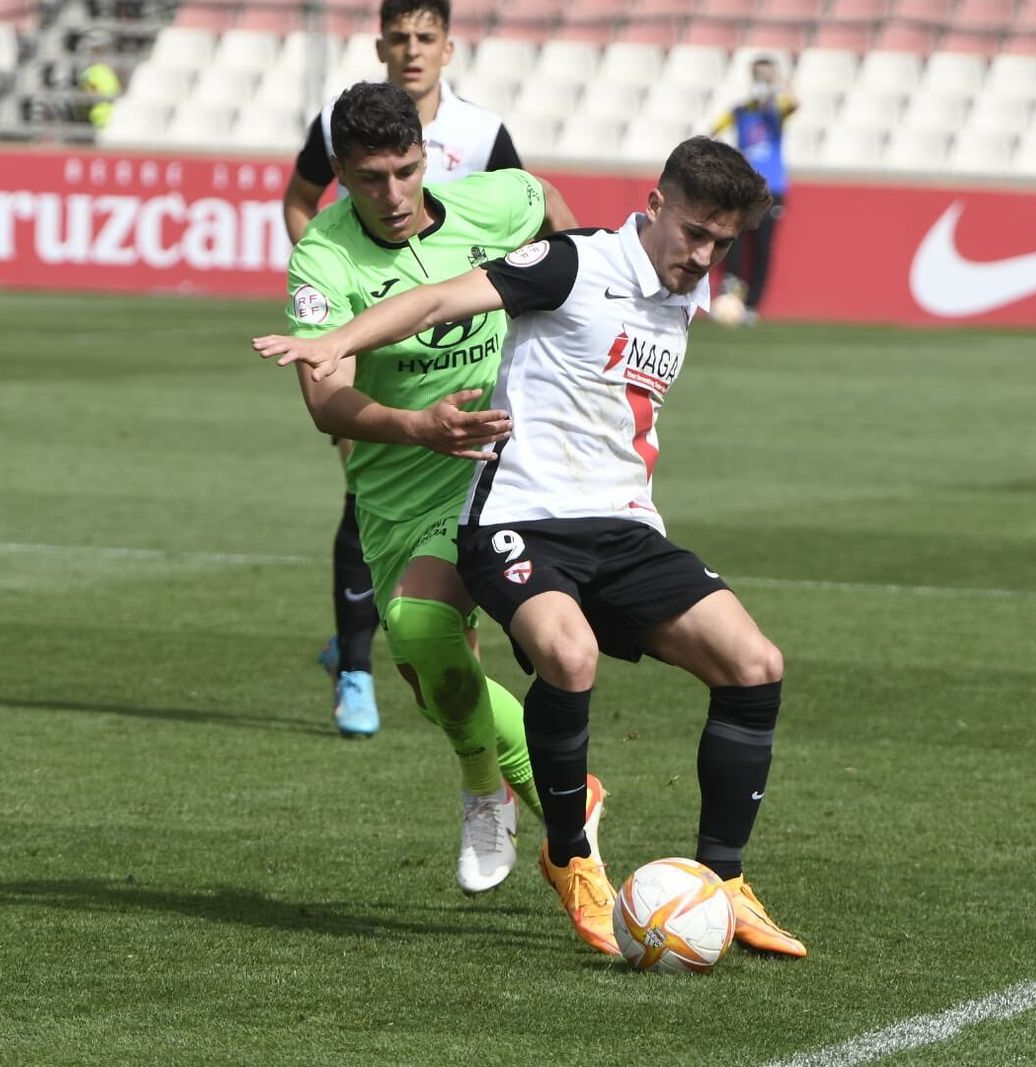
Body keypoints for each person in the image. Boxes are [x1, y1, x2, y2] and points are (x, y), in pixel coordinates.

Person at [254, 136, 807, 960]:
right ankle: (570, 854)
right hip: (516, 517)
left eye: (723, 243)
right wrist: (339, 343)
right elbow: (443, 299)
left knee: (756, 663)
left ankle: (724, 880)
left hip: (623, 526)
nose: (704, 255)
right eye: (694, 232)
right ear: (653, 208)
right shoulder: (574, 263)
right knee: (567, 652)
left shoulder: (678, 294)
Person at [268, 80, 589, 896]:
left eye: (406, 171)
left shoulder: (493, 201)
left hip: (502, 469)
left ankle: (493, 794)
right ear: (339, 171)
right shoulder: (324, 258)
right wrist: (418, 426)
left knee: (421, 621)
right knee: (430, 673)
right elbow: (323, 400)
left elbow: (550, 205)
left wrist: (574, 320)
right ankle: (566, 792)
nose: (394, 194)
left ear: (425, 157)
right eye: (371, 178)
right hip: (397, 487)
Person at [284, 0, 522, 739]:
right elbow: (300, 203)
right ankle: (365, 661)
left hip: (504, 439)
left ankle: (546, 780)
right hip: (391, 389)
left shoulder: (484, 141)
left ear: (449, 47)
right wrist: (327, 296)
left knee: (552, 638)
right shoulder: (334, 134)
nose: (392, 196)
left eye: (426, 37)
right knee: (429, 646)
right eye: (400, 37)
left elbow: (549, 229)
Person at [707, 55, 796, 326]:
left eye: (764, 75)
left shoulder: (776, 110)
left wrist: (776, 81)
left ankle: (751, 306)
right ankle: (732, 285)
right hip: (744, 186)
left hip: (772, 189)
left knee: (762, 247)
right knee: (730, 234)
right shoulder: (740, 110)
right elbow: (714, 131)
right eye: (757, 75)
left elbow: (795, 103)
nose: (761, 79)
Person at [77, 31, 121, 131]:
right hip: (108, 119)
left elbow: (86, 97)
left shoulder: (94, 72)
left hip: (104, 120)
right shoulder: (103, 71)